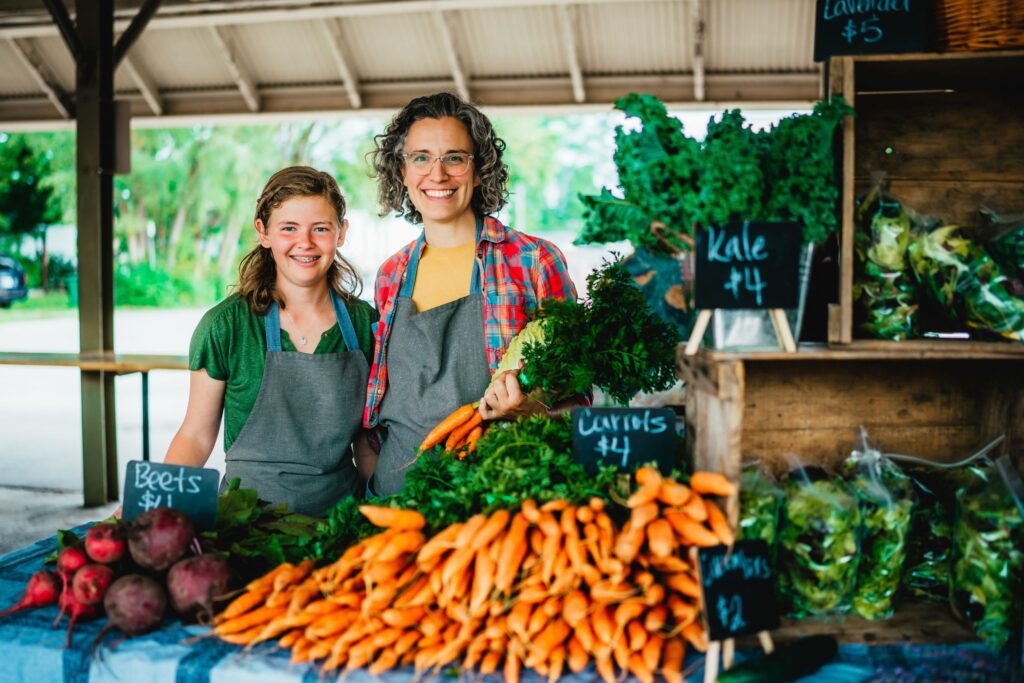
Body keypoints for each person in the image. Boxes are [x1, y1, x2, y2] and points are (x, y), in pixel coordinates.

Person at [363, 92, 582, 496]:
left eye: (454, 158)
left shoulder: (534, 260)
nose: (438, 174)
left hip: (493, 492)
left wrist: (530, 407)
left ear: (479, 170)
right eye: (421, 157)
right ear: (403, 172)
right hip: (394, 496)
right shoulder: (391, 274)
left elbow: (578, 392)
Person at [163, 166, 378, 516]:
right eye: (288, 228)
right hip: (247, 526)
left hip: (341, 527)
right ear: (264, 233)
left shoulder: (364, 323)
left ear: (341, 233)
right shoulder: (226, 326)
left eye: (320, 229)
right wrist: (156, 503)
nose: (305, 243)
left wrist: (392, 511)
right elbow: (196, 436)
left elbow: (366, 445)